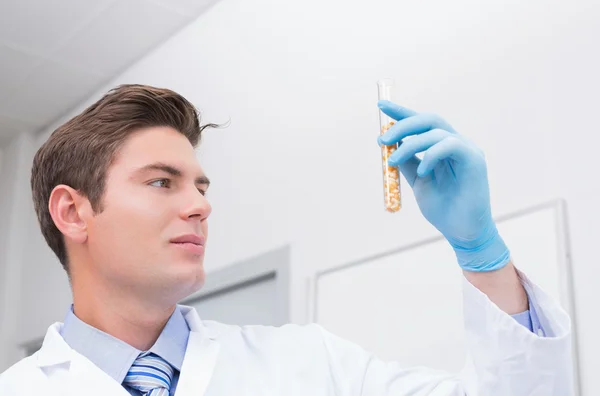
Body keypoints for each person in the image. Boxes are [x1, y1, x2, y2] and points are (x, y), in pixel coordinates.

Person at [0, 84, 572, 395]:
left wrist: (480, 251)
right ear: (73, 213)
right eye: (160, 182)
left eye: (200, 185)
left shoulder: (309, 365)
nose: (201, 205)